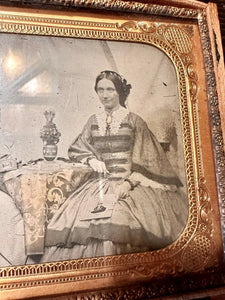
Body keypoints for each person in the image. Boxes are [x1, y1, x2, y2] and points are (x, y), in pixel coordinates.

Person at [41, 70, 188, 262]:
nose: (105, 94)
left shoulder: (135, 120)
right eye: (100, 89)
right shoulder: (93, 121)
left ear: (119, 91)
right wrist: (91, 159)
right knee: (81, 223)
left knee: (119, 221)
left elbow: (149, 158)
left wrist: (128, 183)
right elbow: (78, 148)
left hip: (132, 184)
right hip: (100, 185)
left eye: (110, 89)